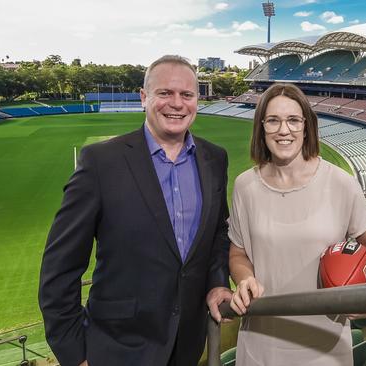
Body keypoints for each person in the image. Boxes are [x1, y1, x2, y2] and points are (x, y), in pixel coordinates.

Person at [38, 55, 233, 366]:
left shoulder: (214, 158)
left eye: (187, 95)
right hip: (116, 347)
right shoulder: (101, 162)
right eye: (165, 93)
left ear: (198, 100)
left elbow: (218, 233)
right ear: (144, 98)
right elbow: (59, 267)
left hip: (187, 343)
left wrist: (218, 281)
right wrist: (75, 355)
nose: (177, 104)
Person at [227, 83, 366, 366]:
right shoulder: (245, 186)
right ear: (261, 127)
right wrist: (244, 279)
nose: (283, 130)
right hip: (261, 345)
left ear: (306, 126)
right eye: (273, 120)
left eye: (293, 120)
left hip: (326, 346)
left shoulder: (341, 183)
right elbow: (238, 254)